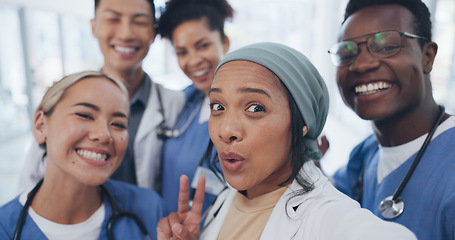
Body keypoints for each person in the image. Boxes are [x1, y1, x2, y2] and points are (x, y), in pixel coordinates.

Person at [156, 42, 417, 240]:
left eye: (255, 108)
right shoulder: (227, 198)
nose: (226, 130)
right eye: (218, 106)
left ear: (302, 123)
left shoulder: (330, 219)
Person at [18, 0, 185, 193]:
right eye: (113, 19)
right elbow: (30, 182)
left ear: (154, 33)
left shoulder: (175, 105)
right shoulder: (65, 96)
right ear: (93, 26)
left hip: (151, 220)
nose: (126, 34)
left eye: (139, 22)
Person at [328, 0, 455, 239]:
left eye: (387, 46)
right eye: (346, 53)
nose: (362, 64)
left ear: (427, 57)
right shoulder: (366, 154)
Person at [0, 71, 166, 240]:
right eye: (84, 115)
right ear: (41, 126)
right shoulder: (4, 228)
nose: (103, 135)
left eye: (118, 124)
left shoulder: (150, 209)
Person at [156, 0, 232, 212]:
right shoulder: (185, 102)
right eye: (182, 52)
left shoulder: (246, 112)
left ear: (224, 42)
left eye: (203, 46)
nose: (194, 60)